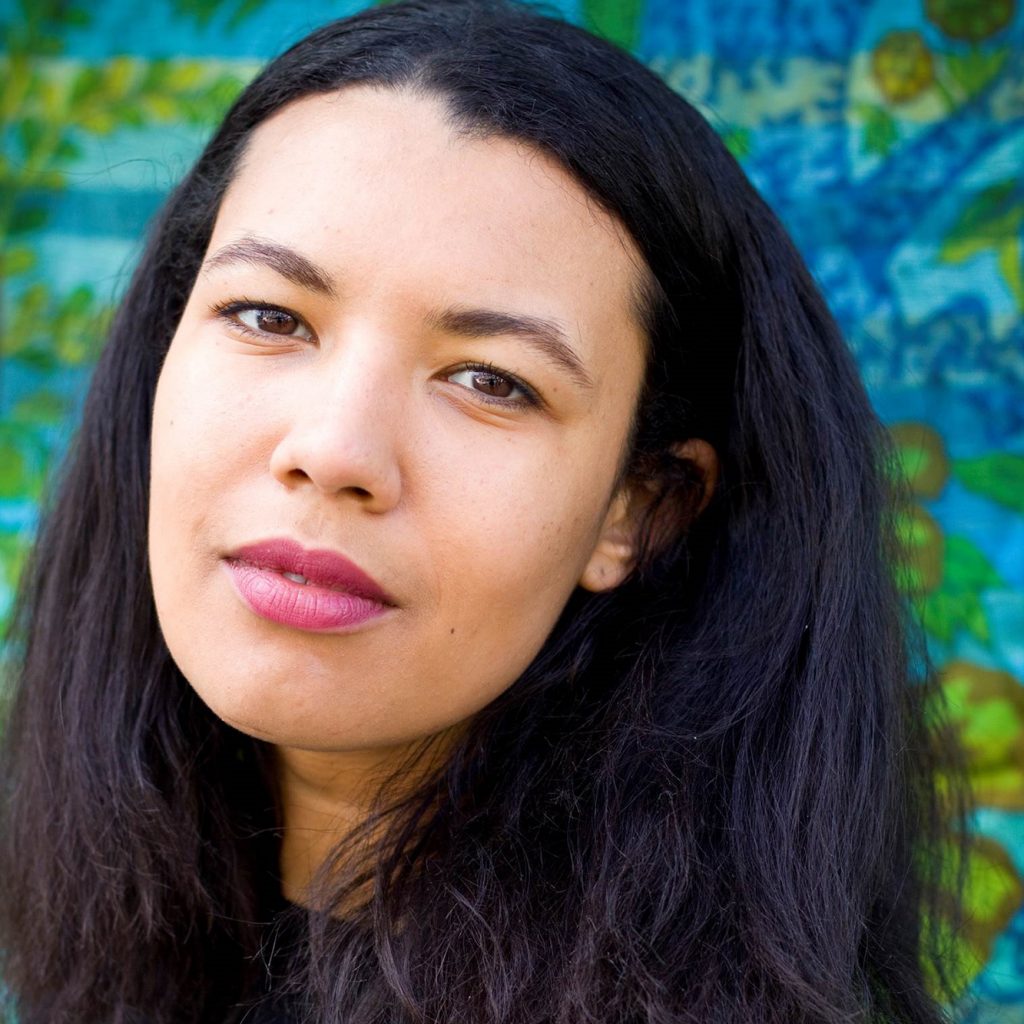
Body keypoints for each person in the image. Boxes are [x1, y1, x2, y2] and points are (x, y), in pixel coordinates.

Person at [0, 1, 969, 1021]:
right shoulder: (104, 931)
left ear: (638, 510)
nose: (334, 451)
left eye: (490, 380)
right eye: (268, 315)